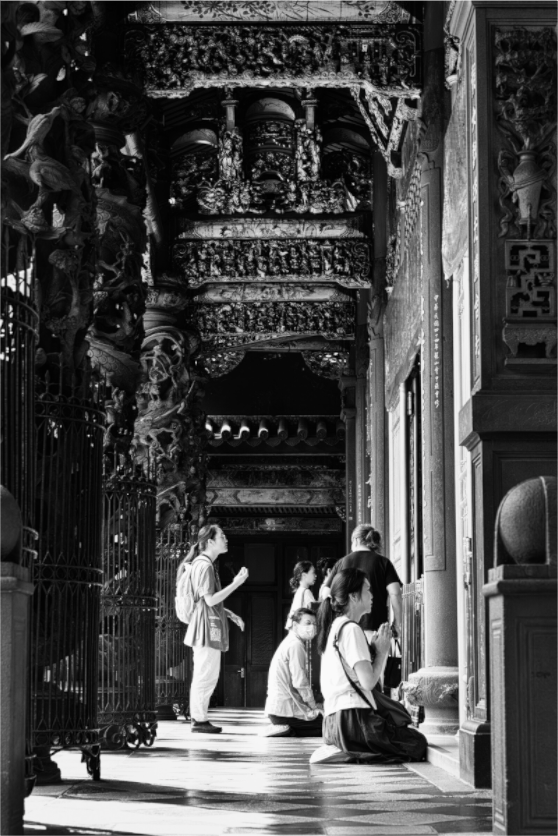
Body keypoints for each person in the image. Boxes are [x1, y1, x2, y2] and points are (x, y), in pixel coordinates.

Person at [312, 568, 426, 764]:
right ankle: (350, 752)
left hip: (332, 722)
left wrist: (373, 649)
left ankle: (347, 748)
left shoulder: (336, 628)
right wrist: (381, 651)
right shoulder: (352, 629)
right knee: (417, 743)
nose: (373, 595)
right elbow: (368, 682)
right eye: (368, 590)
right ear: (354, 596)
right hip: (353, 720)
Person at [178, 524, 248, 734]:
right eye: (223, 536)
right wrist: (237, 582)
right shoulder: (206, 566)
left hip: (205, 623)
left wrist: (229, 613)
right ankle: (199, 719)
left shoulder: (204, 564)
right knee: (205, 674)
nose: (226, 540)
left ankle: (199, 718)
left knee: (206, 672)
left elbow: (205, 601)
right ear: (210, 541)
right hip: (205, 626)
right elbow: (209, 601)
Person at [321, 525, 402, 639]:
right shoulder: (383, 562)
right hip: (376, 628)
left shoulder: (341, 563)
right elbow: (395, 593)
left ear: (356, 540)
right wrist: (397, 623)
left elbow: (325, 594)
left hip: (345, 627)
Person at [263, 608, 323, 738]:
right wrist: (313, 707)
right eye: (307, 623)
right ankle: (286, 729)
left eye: (314, 623)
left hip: (277, 712)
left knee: (322, 725)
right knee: (329, 725)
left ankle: (287, 730)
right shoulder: (295, 645)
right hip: (284, 713)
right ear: (295, 625)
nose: (312, 627)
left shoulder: (290, 642)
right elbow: (300, 681)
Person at [285, 560, 317, 629]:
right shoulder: (306, 592)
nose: (315, 576)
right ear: (304, 575)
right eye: (313, 573)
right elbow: (314, 614)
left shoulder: (299, 591)